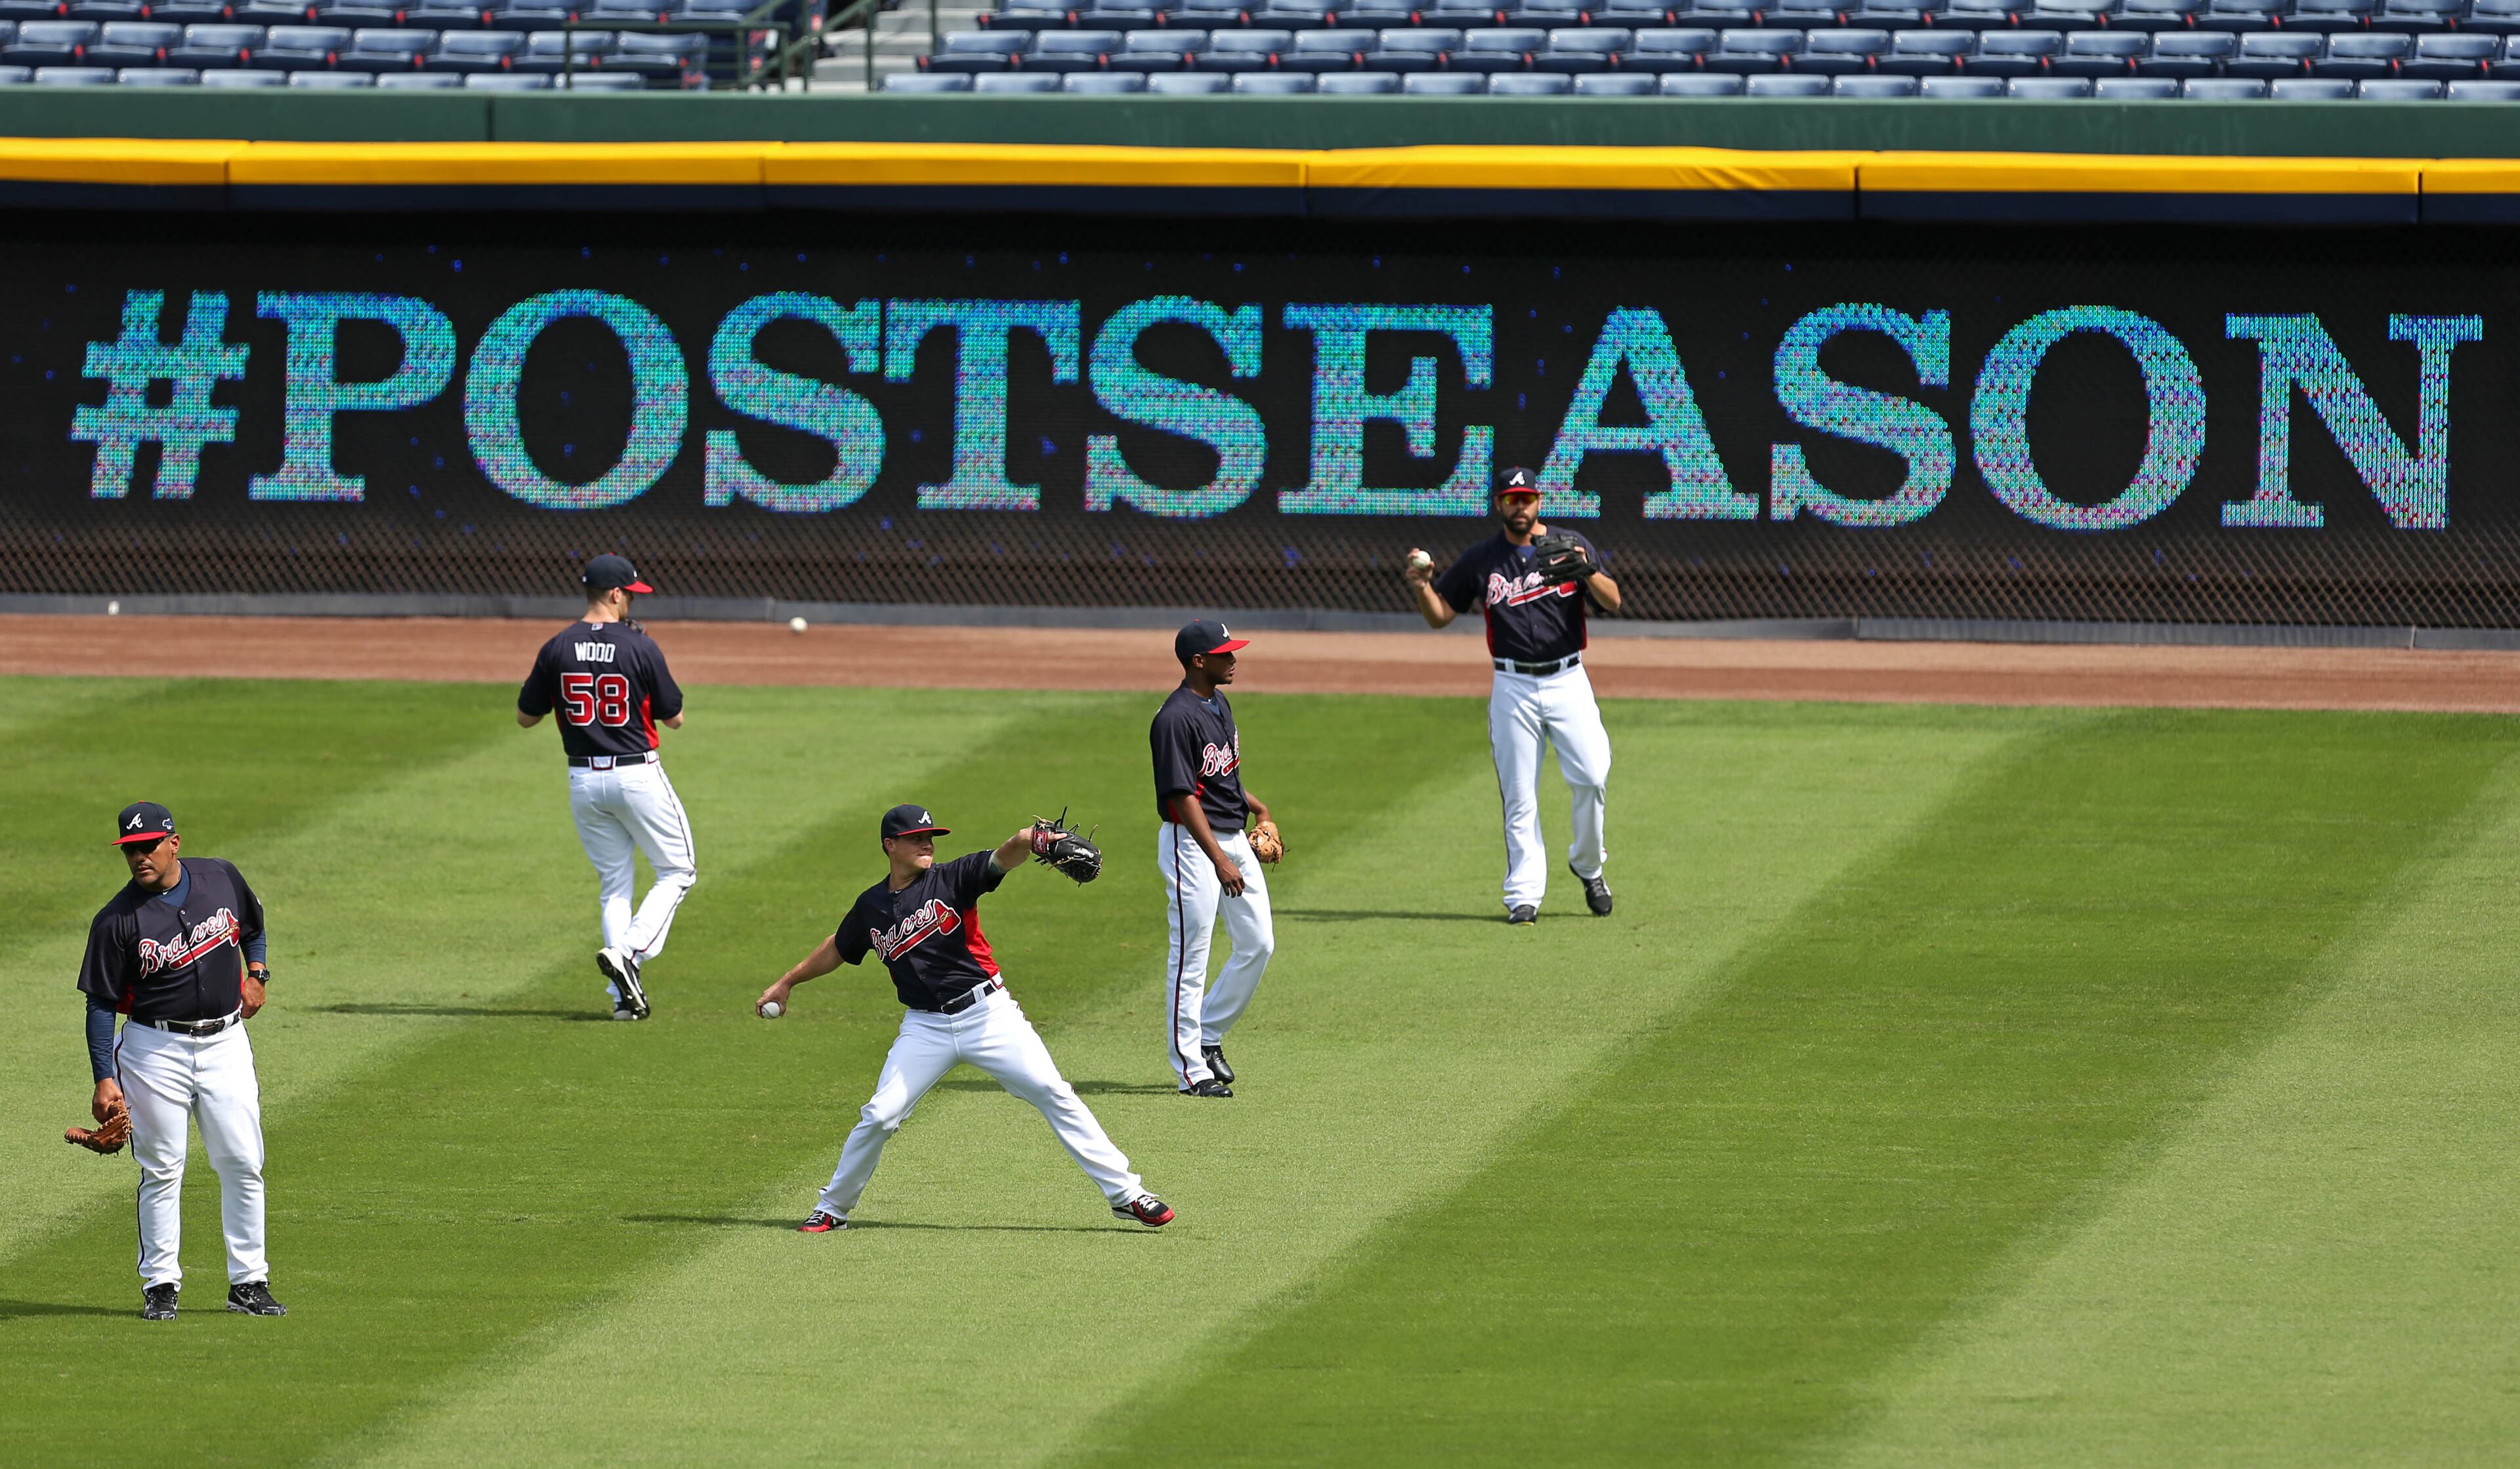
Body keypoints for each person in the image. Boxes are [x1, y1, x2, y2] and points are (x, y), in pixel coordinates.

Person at [760, 804, 1175, 1233]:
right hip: (925, 1028)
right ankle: (833, 1208)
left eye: (931, 836)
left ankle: (1127, 1195)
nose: (927, 843)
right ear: (890, 845)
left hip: (989, 1015)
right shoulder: (872, 907)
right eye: (916, 837)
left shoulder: (954, 877)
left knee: (1054, 1091)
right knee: (880, 1115)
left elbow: (1005, 854)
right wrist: (787, 982)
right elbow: (840, 946)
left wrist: (1036, 838)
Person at [78, 802, 285, 1321]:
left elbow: (253, 927)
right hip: (154, 1050)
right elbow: (100, 1003)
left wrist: (257, 974)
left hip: (226, 1043)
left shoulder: (220, 877)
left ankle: (249, 1282)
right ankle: (161, 1286)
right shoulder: (117, 920)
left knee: (242, 1161)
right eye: (130, 850)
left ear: (173, 842)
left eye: (147, 846)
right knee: (163, 1168)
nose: (139, 857)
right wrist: (105, 1078)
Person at [1405, 466, 1622, 925]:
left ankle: (1588, 864)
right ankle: (1524, 894)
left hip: (1568, 678)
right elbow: (1442, 614)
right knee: (1520, 793)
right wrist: (1423, 586)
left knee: (1593, 774)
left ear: (1539, 500)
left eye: (1526, 497)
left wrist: (1587, 570)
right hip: (1512, 685)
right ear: (1499, 503)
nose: (1519, 506)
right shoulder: (1483, 558)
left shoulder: (1571, 543)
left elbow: (1613, 601)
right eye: (1511, 498)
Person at [516, 553, 696, 1020]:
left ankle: (623, 1002)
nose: (633, 602)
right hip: (636, 774)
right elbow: (674, 718)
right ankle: (631, 953)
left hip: (583, 780)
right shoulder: (639, 646)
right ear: (616, 594)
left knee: (615, 885)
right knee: (678, 870)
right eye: (631, 594)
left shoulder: (556, 646)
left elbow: (525, 716)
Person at [1150, 619, 1278, 1098]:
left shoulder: (1219, 702)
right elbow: (1183, 796)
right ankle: (1190, 1069)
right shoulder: (1173, 718)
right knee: (1192, 952)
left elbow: (1220, 778)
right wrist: (1219, 859)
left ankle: (1207, 1033)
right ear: (1198, 661)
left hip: (1230, 836)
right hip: (1191, 842)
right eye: (1225, 653)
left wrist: (1256, 806)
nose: (1234, 659)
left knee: (1258, 942)